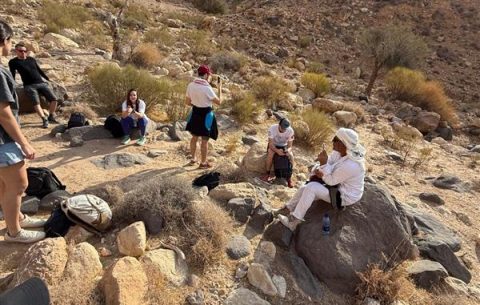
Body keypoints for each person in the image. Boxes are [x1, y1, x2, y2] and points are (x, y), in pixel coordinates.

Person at [0, 21, 46, 243]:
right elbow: (3, 112)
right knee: (19, 184)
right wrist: (24, 142)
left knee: (5, 184)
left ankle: (15, 218)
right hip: (2, 140)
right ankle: (14, 232)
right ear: (4, 41)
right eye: (10, 41)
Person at [277, 128, 366, 231]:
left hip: (345, 195)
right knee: (304, 188)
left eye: (335, 139)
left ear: (343, 143)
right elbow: (327, 166)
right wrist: (321, 166)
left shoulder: (351, 165)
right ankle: (287, 209)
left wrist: (323, 164)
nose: (332, 141)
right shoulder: (339, 153)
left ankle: (293, 222)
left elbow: (331, 180)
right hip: (336, 185)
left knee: (311, 188)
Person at [8, 42, 58, 129]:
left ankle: (51, 116)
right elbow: (12, 74)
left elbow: (39, 70)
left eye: (25, 51)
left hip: (41, 83)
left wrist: (48, 79)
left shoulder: (31, 59)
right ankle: (44, 119)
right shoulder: (13, 62)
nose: (23, 53)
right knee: (36, 103)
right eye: (21, 51)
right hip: (29, 85)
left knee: (54, 100)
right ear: (16, 51)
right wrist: (11, 84)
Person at [185, 65, 222, 169]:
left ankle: (193, 159)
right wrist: (219, 89)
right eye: (209, 75)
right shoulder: (207, 88)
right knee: (204, 140)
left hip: (195, 113)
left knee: (194, 137)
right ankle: (203, 163)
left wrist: (197, 104)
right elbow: (219, 102)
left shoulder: (191, 85)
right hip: (206, 115)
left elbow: (187, 102)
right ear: (206, 75)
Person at [261, 117, 295, 187]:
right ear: (279, 125)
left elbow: (290, 146)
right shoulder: (272, 128)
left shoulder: (290, 131)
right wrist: (277, 151)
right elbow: (270, 144)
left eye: (285, 129)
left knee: (291, 156)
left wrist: (287, 151)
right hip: (274, 145)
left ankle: (289, 178)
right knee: (270, 153)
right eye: (282, 128)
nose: (283, 130)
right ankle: (267, 174)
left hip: (284, 146)